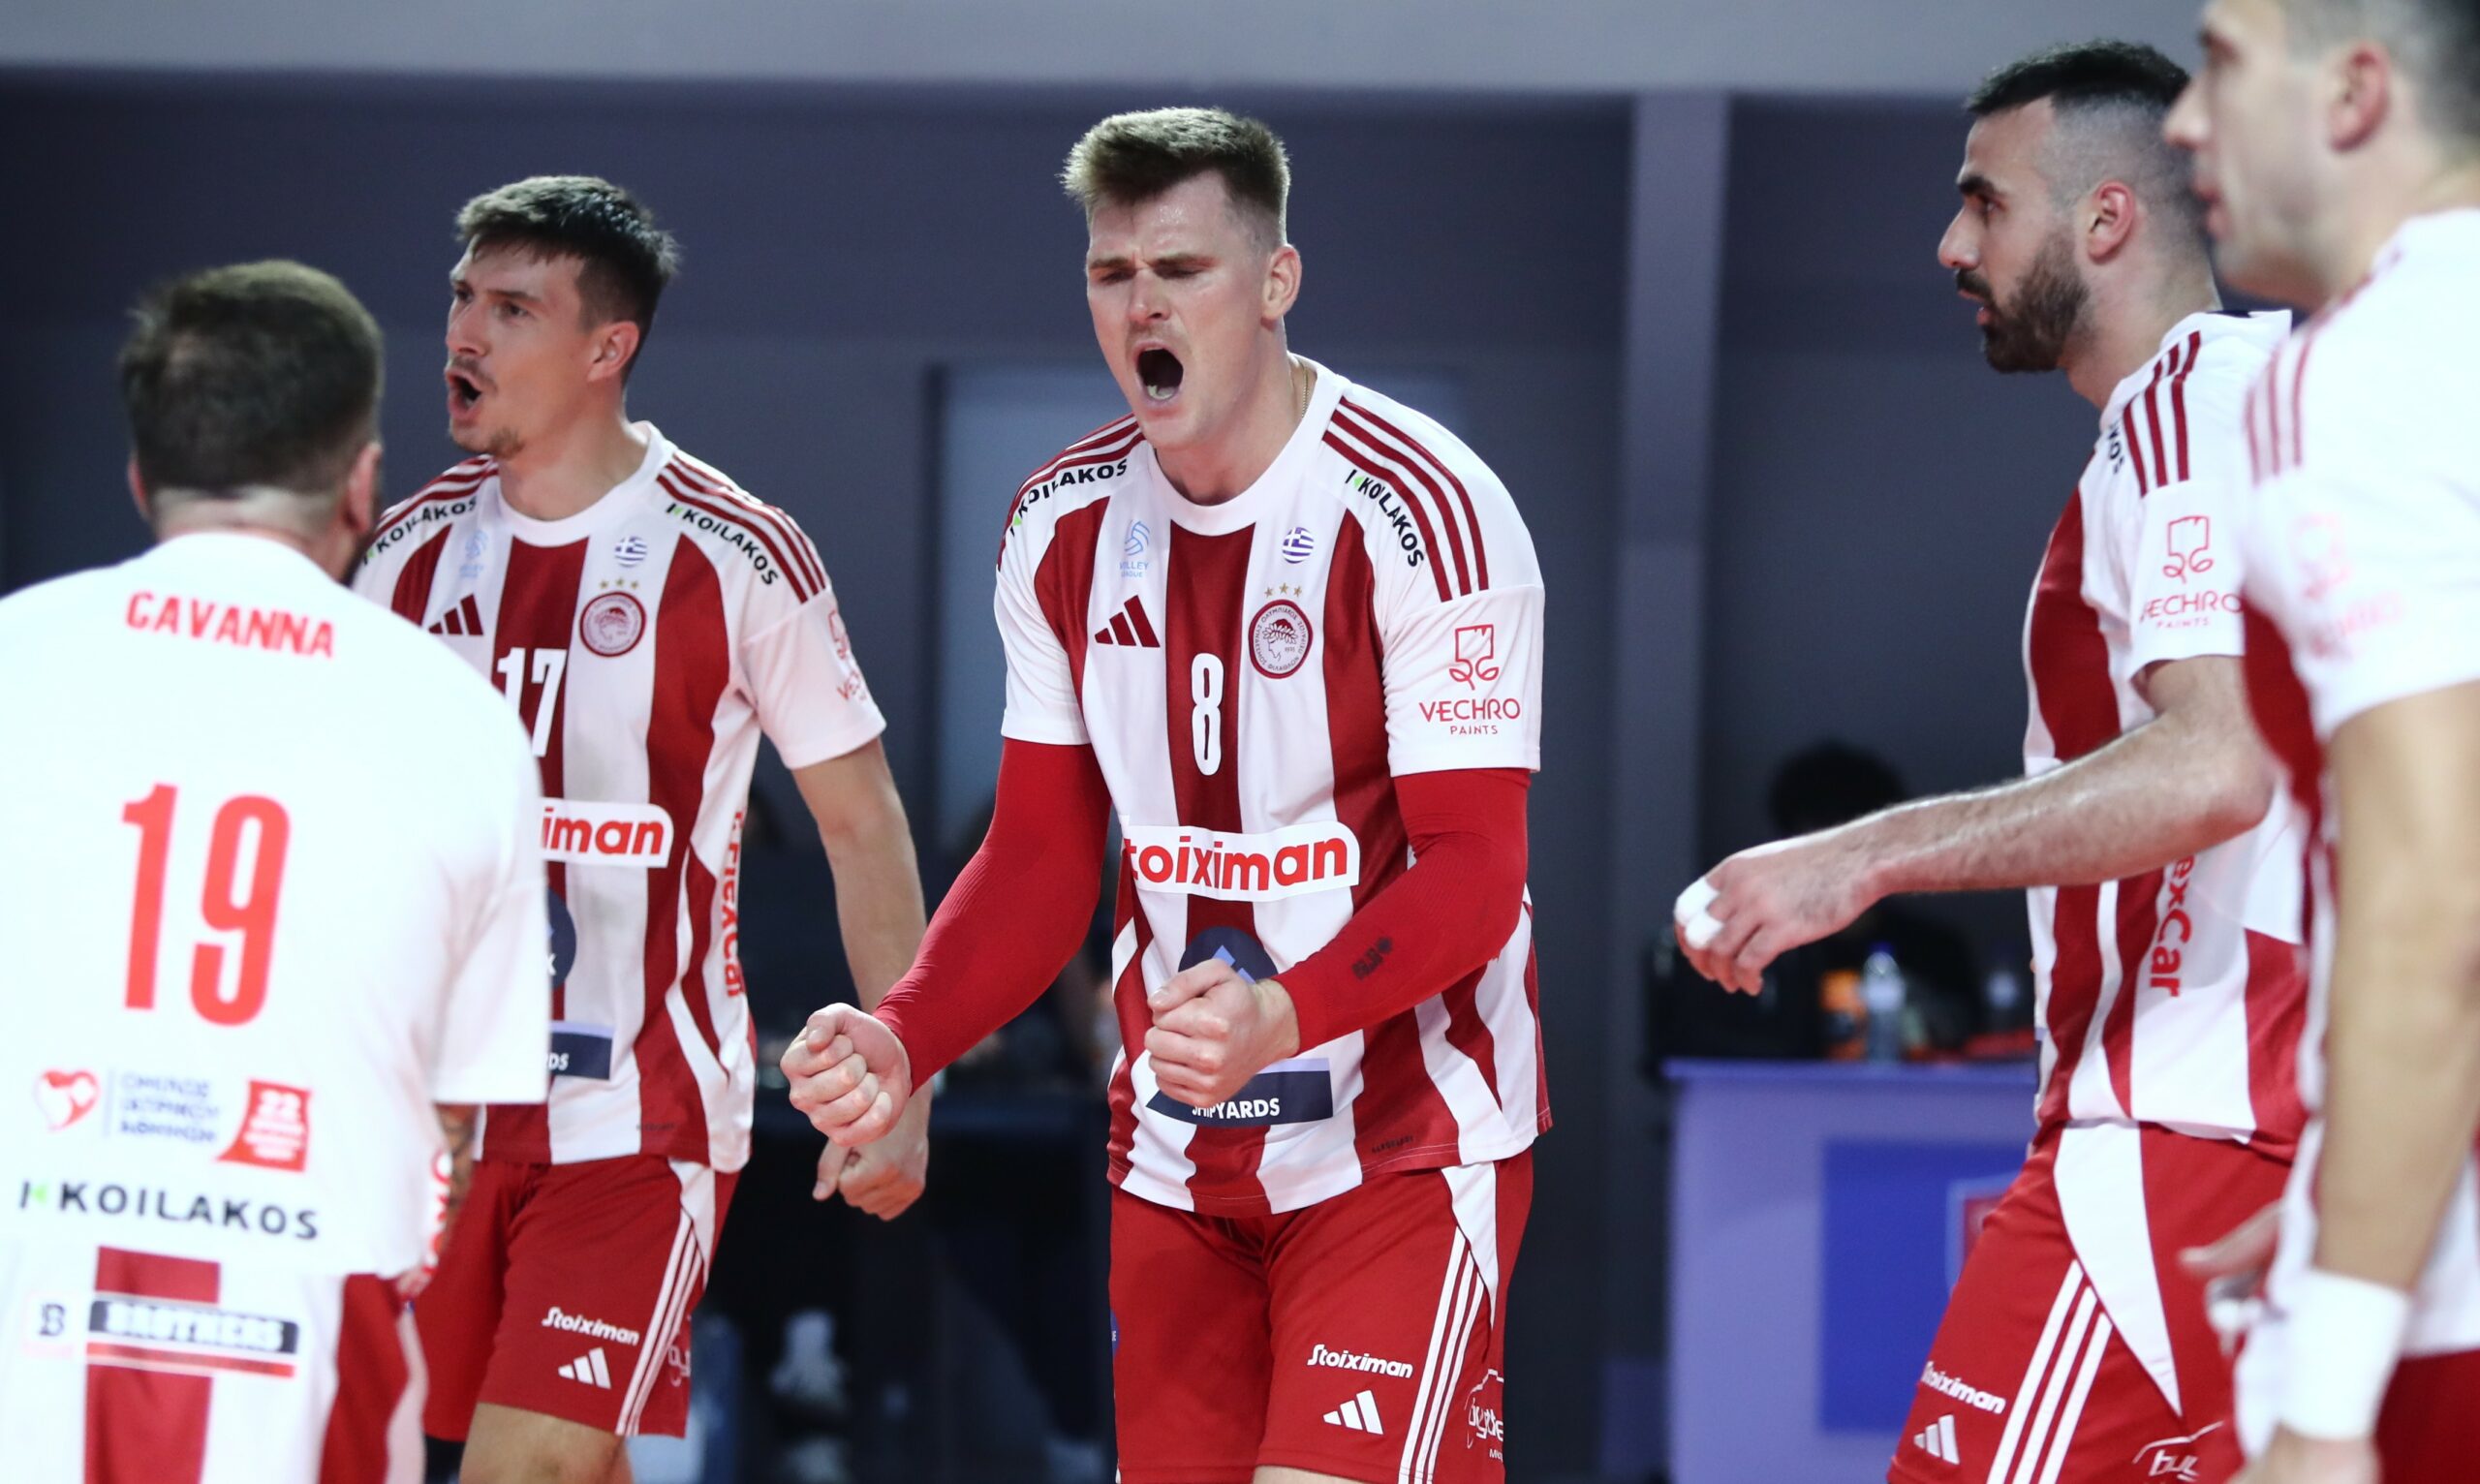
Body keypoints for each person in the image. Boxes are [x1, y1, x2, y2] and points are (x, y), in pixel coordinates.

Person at [783, 108, 1547, 1484]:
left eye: (1181, 269)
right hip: (1177, 1157)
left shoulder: (1426, 509)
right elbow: (1039, 860)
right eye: (1110, 273)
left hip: (1402, 1144)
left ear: (1274, 281)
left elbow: (1475, 875)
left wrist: (1282, 1013)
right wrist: (908, 1035)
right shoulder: (1058, 524)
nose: (1142, 304)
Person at [1673, 43, 2310, 1482]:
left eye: (1985, 202)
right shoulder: (2263, 410)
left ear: (2107, 219)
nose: (1951, 245)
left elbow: (2221, 762)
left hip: (2180, 1127)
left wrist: (1857, 856)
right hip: (2264, 1131)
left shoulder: (2193, 404)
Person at [355, 175, 928, 1482]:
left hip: (638, 1122)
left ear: (607, 347)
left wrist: (910, 1069)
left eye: (512, 309)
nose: (464, 334)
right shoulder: (404, 553)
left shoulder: (738, 551)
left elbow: (862, 826)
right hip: (439, 1118)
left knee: (527, 1468)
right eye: (461, 298)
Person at [0, 261, 550, 1482]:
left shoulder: (13, 655)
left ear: (141, 475)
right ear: (361, 486)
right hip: (305, 1350)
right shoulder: (458, 724)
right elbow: (459, 1123)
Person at [2163, 2, 2480, 1479]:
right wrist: (2347, 1192)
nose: (2184, 120)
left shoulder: (2365, 370)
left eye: (2224, 62)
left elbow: (2436, 906)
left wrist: (2332, 1391)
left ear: (2355, 92)